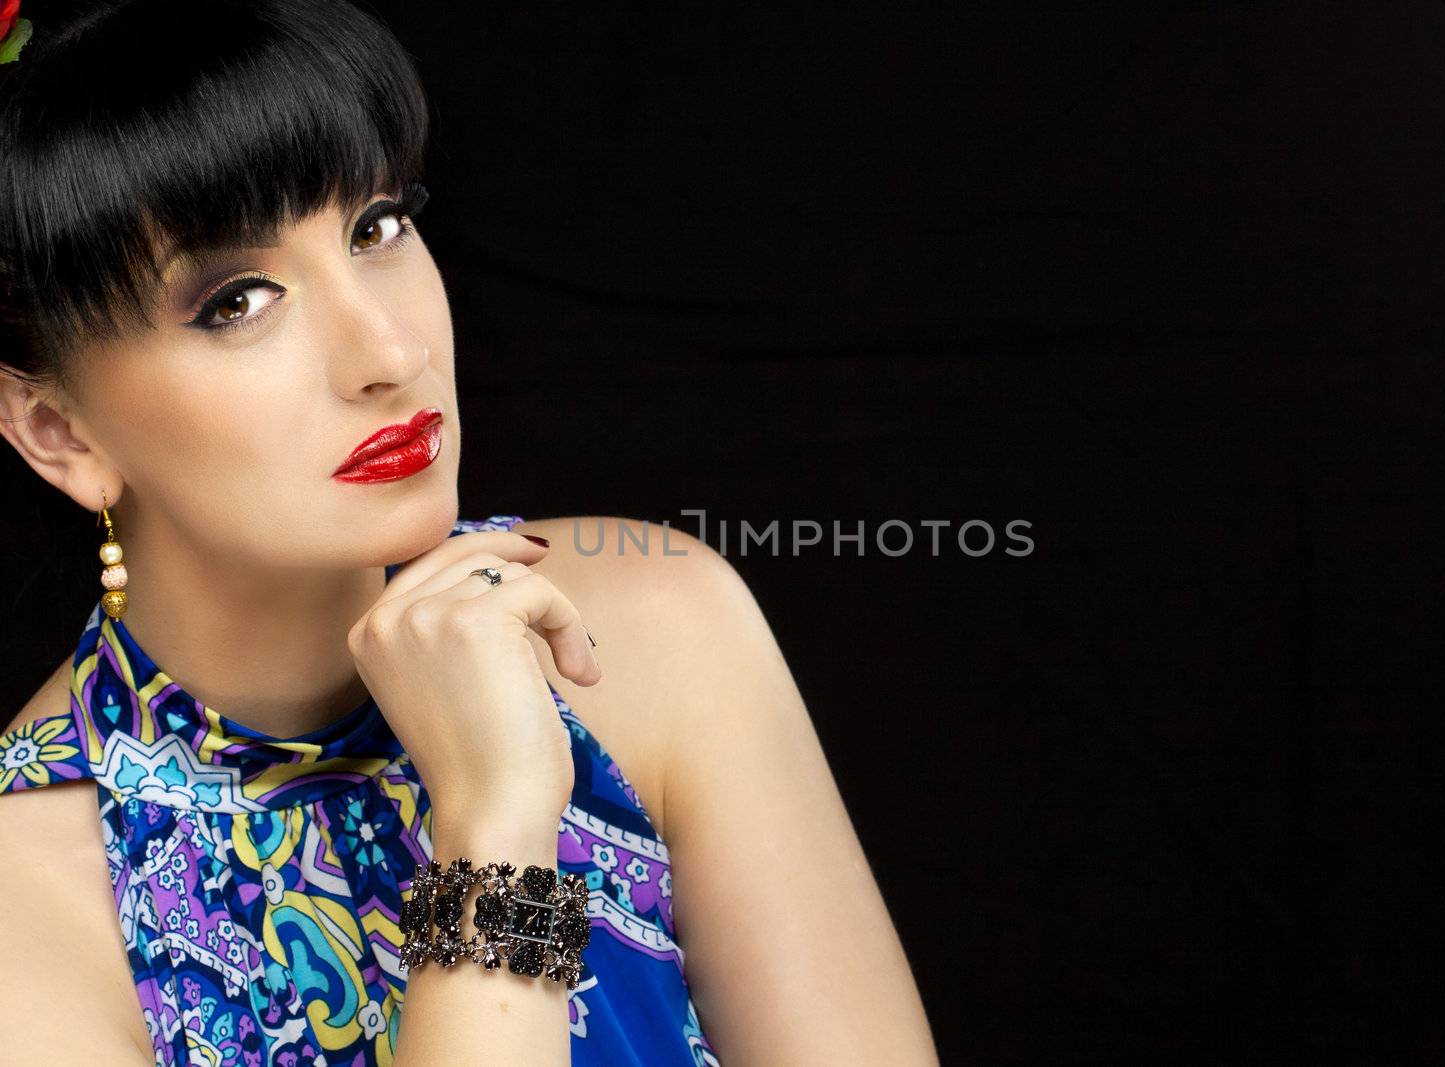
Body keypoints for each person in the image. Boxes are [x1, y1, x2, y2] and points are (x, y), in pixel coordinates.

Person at [0, 2, 938, 1064]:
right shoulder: (29, 910)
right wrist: (497, 823)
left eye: (376, 228)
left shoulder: (651, 627)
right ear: (57, 428)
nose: (389, 350)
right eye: (238, 300)